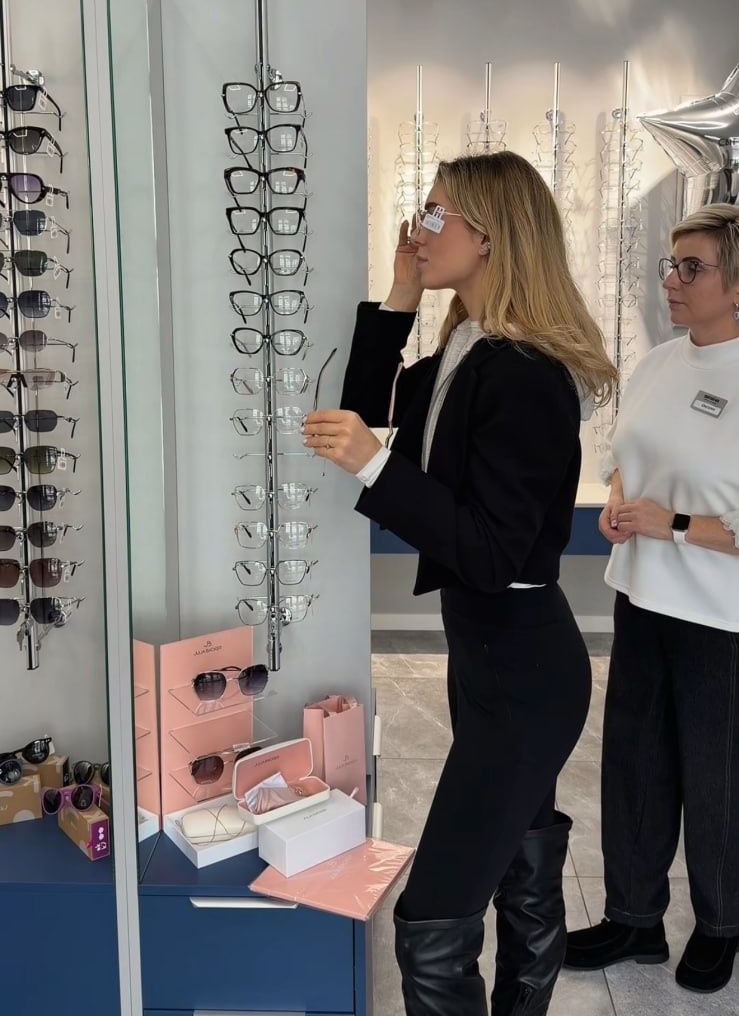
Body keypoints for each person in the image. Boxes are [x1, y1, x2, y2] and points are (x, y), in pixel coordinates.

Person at [304, 150, 617, 1016]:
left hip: (524, 674)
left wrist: (375, 467)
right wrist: (401, 293)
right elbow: (365, 410)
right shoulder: (469, 347)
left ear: (489, 235)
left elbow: (489, 554)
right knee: (521, 859)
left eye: (437, 213)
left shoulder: (528, 373)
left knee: (431, 917)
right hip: (487, 660)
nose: (419, 227)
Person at [564, 202, 739, 995]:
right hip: (641, 597)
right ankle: (633, 919)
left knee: (716, 778)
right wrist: (617, 499)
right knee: (634, 765)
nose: (671, 279)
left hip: (721, 618)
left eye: (691, 267)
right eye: (672, 265)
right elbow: (623, 456)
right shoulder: (658, 362)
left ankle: (720, 924)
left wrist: (667, 523)